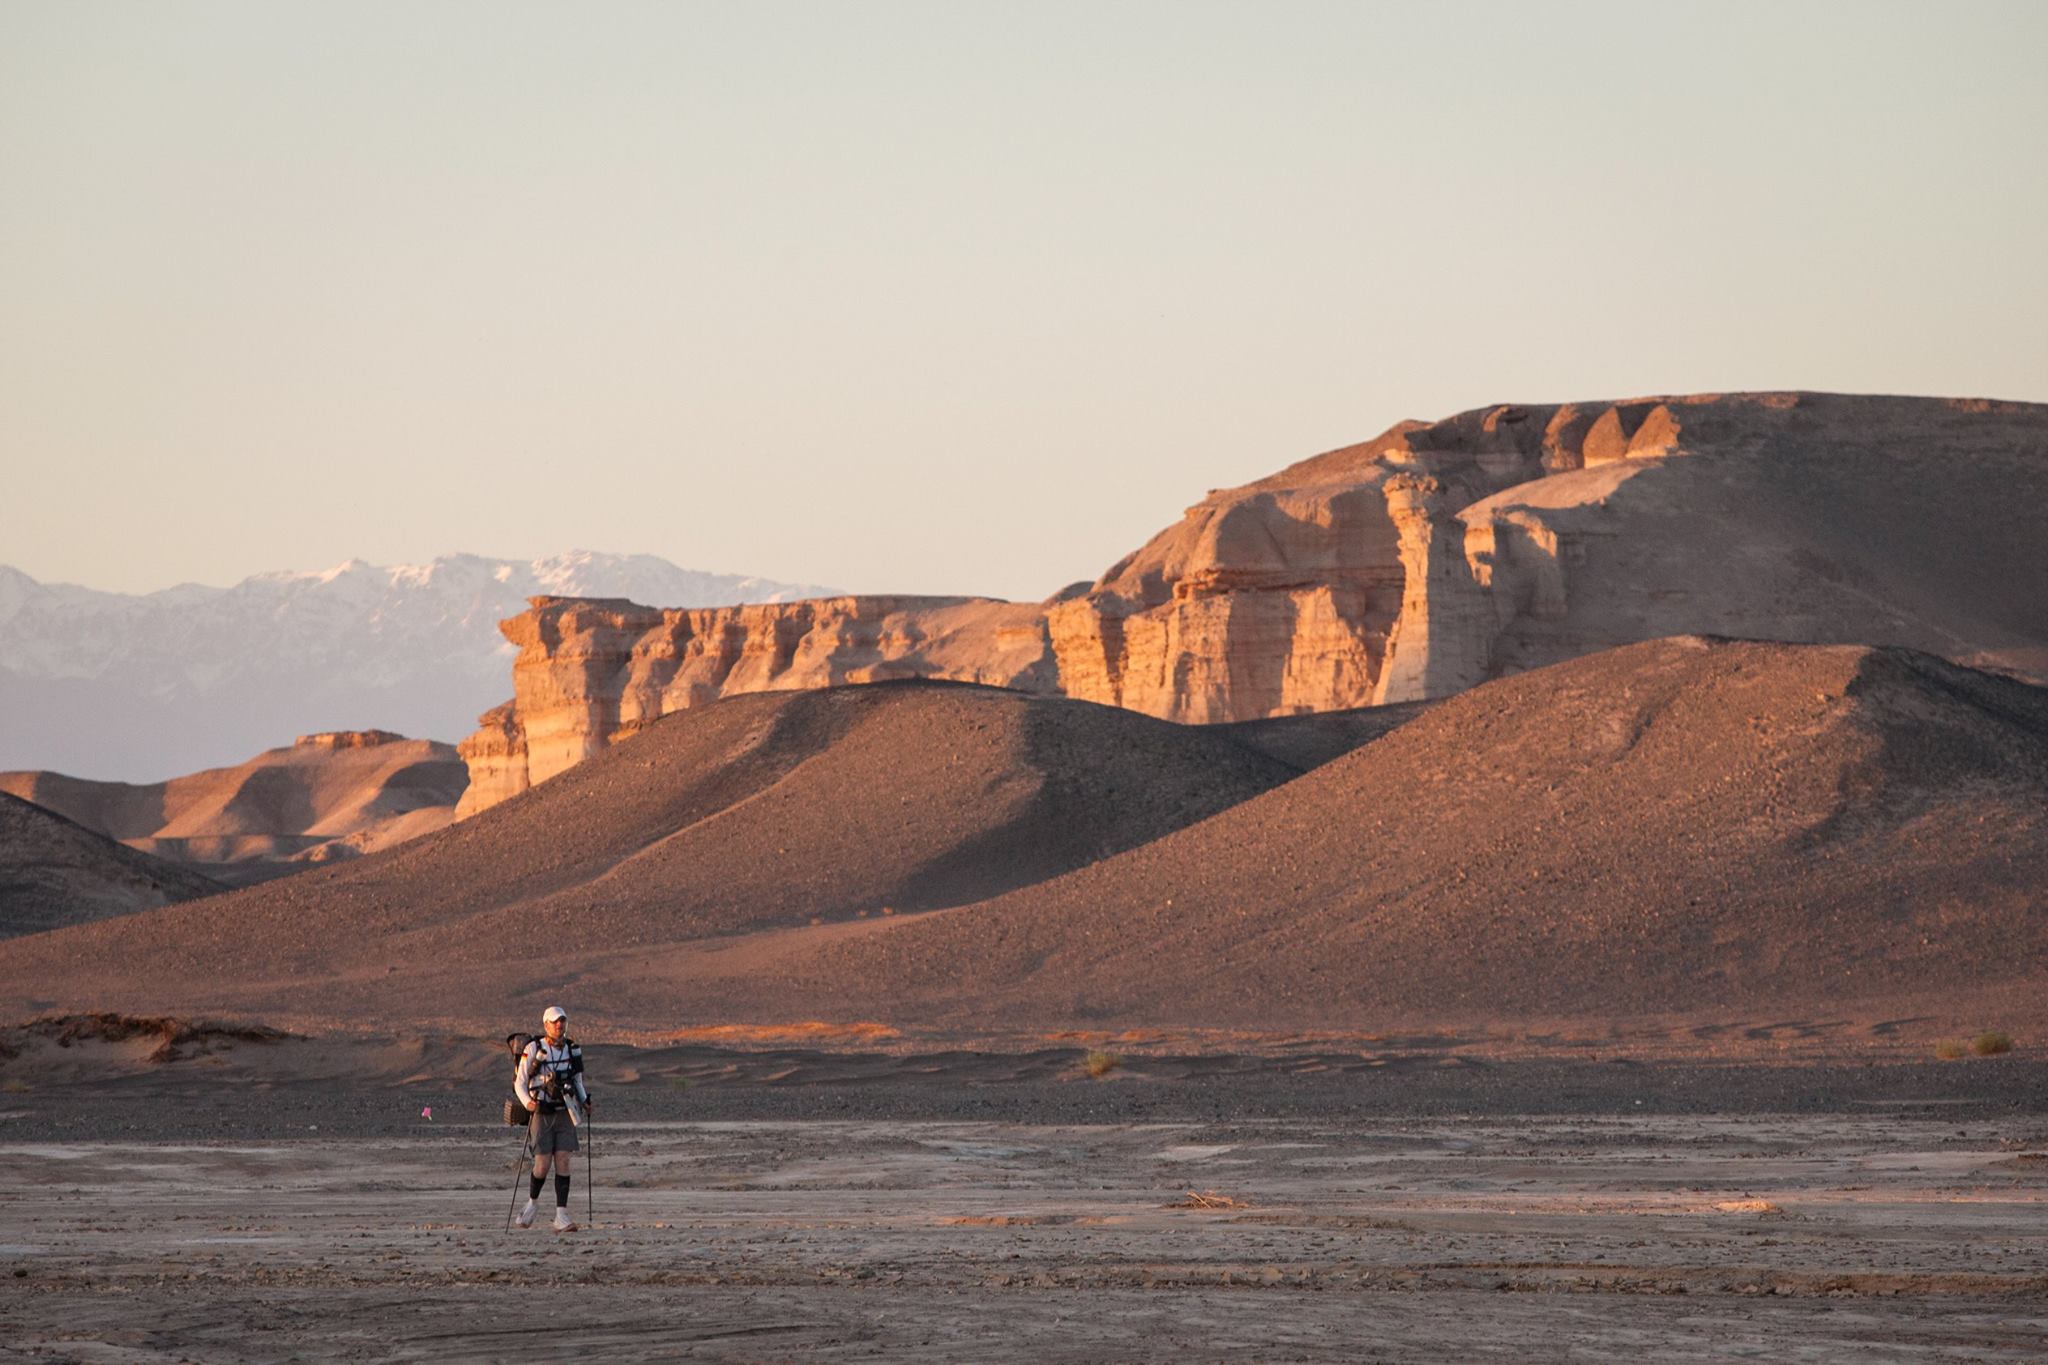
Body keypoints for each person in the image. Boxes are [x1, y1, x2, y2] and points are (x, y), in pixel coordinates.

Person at [513, 1005, 592, 1231]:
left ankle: (561, 1215)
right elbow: (520, 1081)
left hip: (565, 1111)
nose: (560, 1025)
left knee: (564, 1160)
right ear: (546, 1024)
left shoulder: (572, 1049)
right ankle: (532, 1204)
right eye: (556, 1021)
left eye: (563, 1021)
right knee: (542, 1164)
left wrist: (585, 1101)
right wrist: (528, 1102)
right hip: (542, 1112)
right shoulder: (533, 1048)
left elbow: (577, 1081)